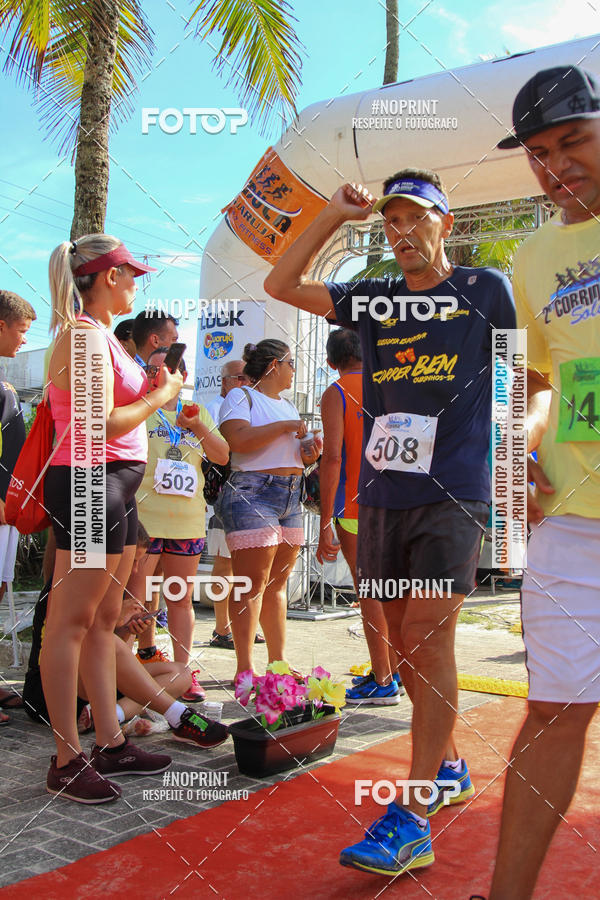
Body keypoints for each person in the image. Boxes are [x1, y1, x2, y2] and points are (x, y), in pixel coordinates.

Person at [265, 169, 515, 876]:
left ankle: (410, 819)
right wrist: (333, 218)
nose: (403, 234)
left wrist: (520, 459)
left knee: (426, 640)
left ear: (447, 223)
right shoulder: (371, 296)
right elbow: (280, 286)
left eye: (417, 219)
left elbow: (526, 372)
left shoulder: (483, 290)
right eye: (392, 223)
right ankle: (452, 766)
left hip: (453, 489)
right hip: (379, 494)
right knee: (403, 650)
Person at [489, 66, 600, 900]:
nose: (557, 165)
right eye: (538, 153)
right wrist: (514, 459)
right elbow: (529, 384)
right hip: (574, 524)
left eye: (574, 141)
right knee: (555, 710)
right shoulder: (531, 257)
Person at [42, 235, 183, 804]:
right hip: (88, 483)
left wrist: (152, 388)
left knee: (102, 621)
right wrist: (162, 395)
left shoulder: (100, 338)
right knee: (70, 623)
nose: (137, 284)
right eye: (131, 275)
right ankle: (65, 758)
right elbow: (101, 423)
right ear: (106, 277)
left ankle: (109, 740)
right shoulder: (82, 335)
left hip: (110, 485)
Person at [129, 347, 229, 699]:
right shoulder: (139, 410)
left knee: (179, 598)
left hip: (186, 522)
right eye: (151, 369)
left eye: (165, 369)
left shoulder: (196, 412)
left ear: (180, 376)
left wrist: (198, 425)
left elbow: (222, 454)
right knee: (138, 599)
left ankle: (184, 672)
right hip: (145, 521)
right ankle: (139, 659)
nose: (157, 375)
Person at [216, 339, 320, 676]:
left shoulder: (288, 406)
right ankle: (245, 670)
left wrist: (309, 453)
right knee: (251, 583)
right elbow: (238, 441)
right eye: (291, 363)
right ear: (274, 365)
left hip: (290, 493)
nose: (294, 371)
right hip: (252, 491)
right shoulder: (240, 396)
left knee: (276, 585)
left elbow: (295, 455)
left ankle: (278, 664)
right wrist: (287, 428)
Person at [316, 328, 403, 705]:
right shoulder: (396, 386)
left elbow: (332, 457)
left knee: (369, 593)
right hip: (399, 503)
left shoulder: (336, 392)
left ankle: (384, 680)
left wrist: (323, 521)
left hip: (355, 505)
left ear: (332, 362)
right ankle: (392, 671)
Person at [205, 358, 265, 648]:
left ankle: (245, 626)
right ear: (224, 381)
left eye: (248, 378)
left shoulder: (252, 405)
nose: (245, 383)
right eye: (239, 378)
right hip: (227, 494)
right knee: (224, 564)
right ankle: (221, 628)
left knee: (249, 568)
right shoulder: (214, 409)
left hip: (255, 496)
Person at [0, 290, 35, 724]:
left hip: (8, 509)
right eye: (22, 331)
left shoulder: (5, 386)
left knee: (2, 589)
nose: (25, 340)